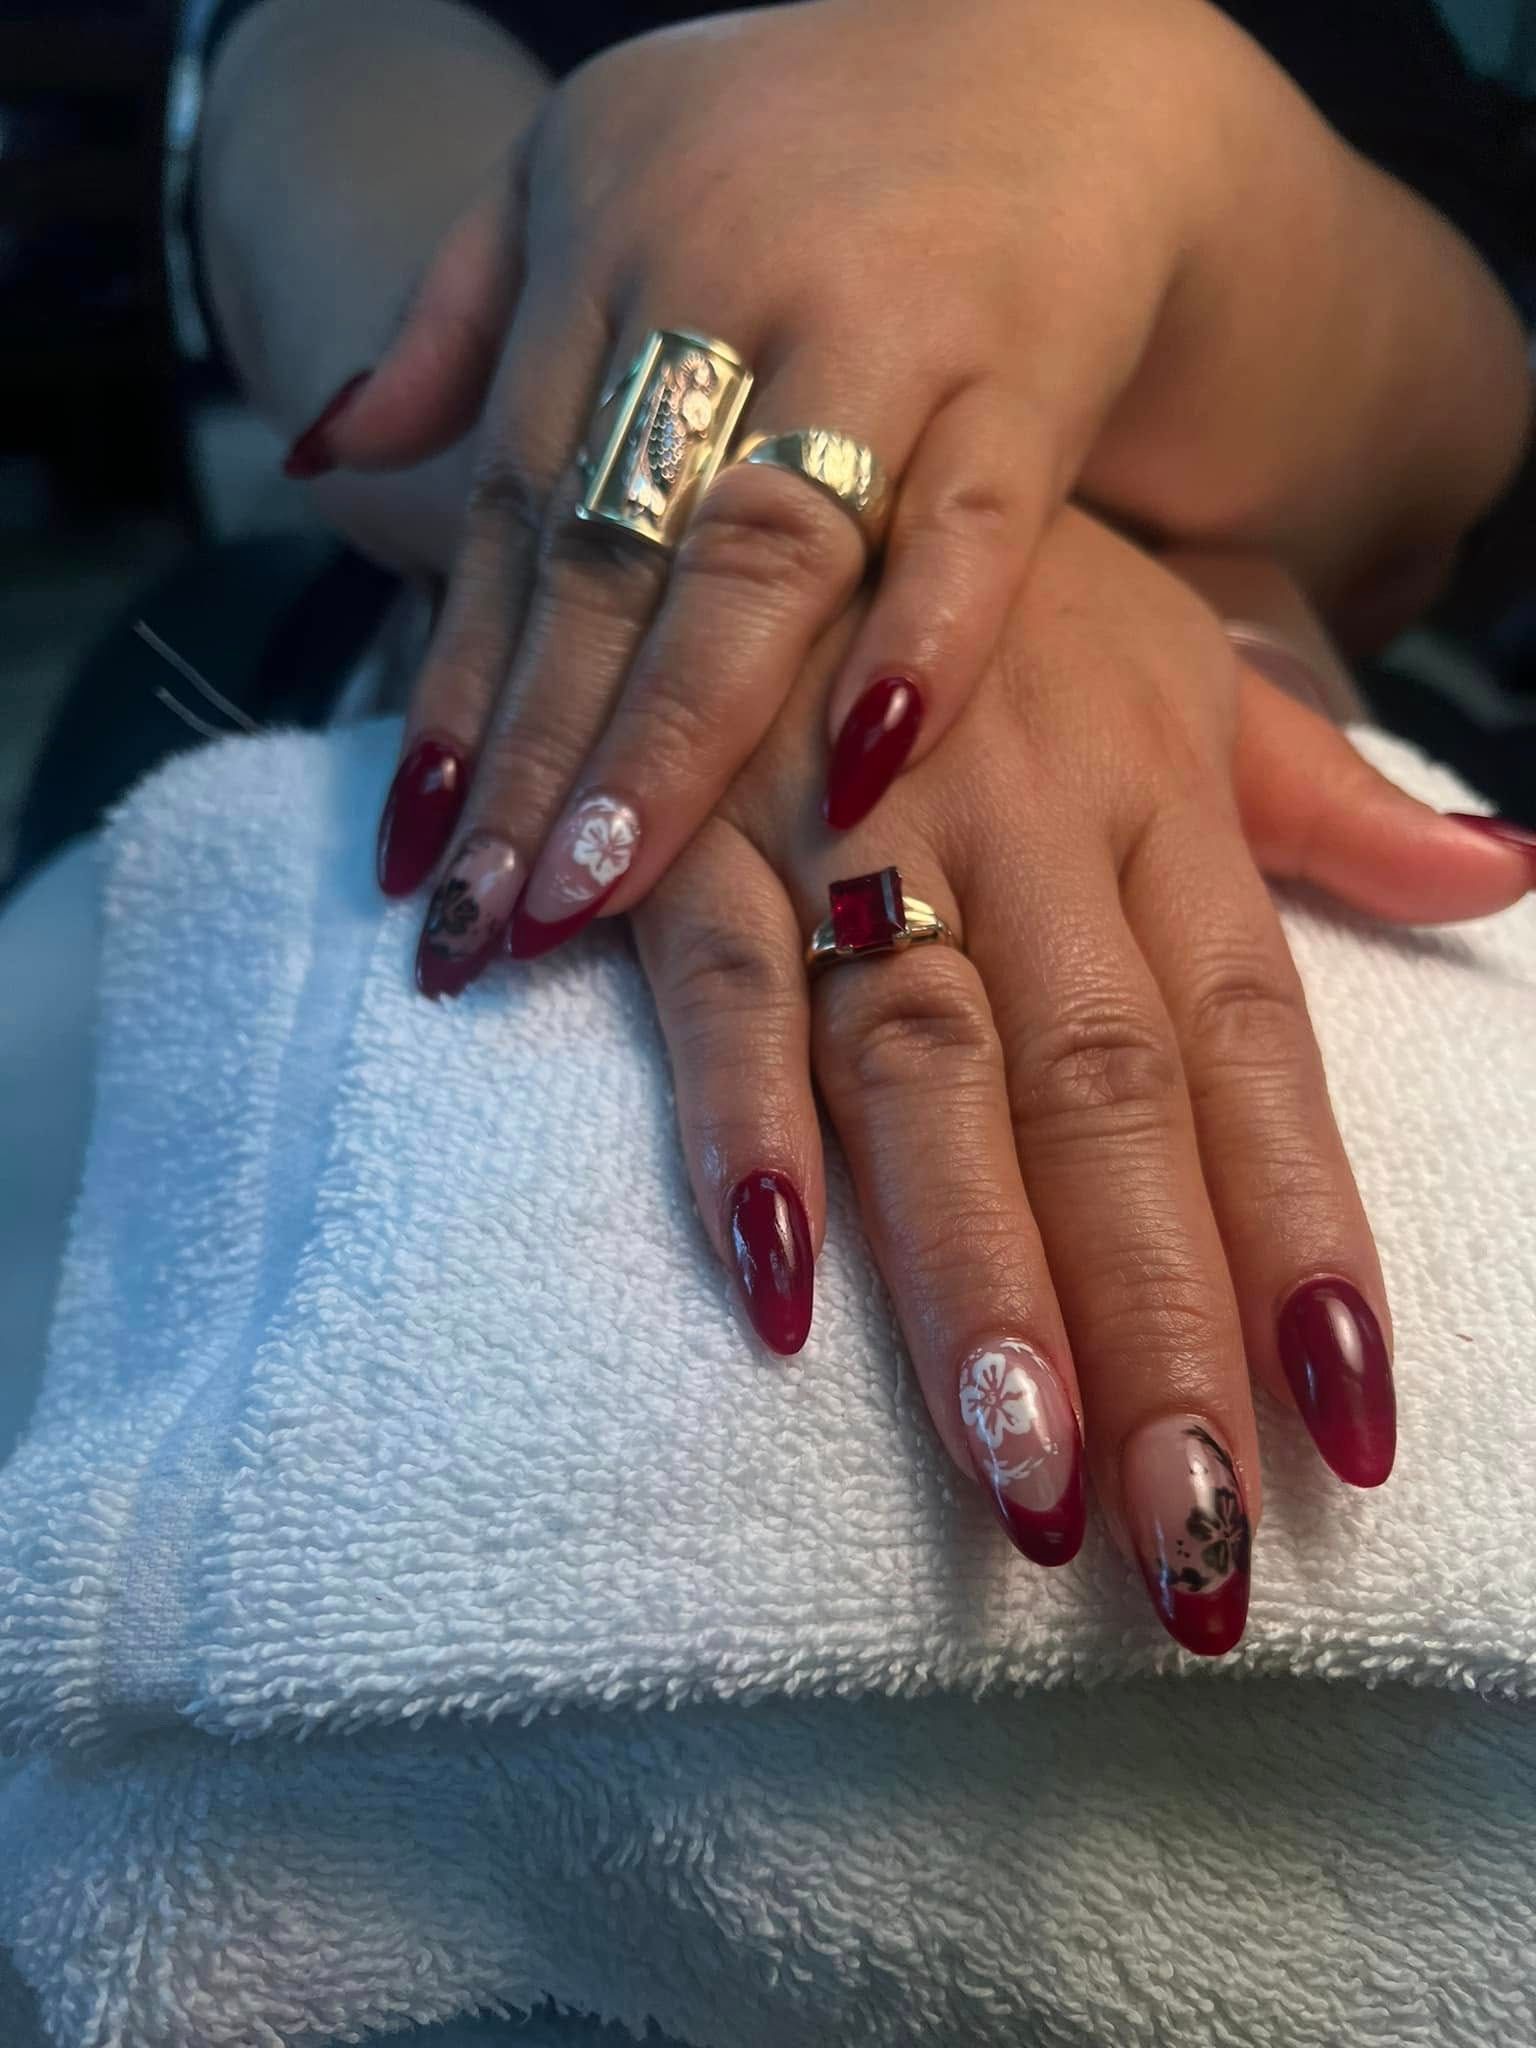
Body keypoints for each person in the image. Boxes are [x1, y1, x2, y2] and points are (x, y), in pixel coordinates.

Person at [192, 0, 1534, 1653]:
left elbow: (1442, 470)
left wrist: (1169, 130)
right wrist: (841, 574)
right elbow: (314, 158)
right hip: (520, 658)